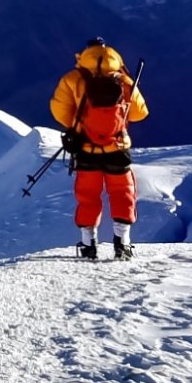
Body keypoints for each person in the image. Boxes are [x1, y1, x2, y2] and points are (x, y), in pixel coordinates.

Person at [49, 37, 149, 260]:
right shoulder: (123, 80)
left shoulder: (73, 80)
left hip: (86, 150)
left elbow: (60, 113)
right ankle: (122, 244)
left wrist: (79, 124)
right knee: (123, 194)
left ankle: (88, 245)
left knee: (88, 196)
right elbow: (140, 113)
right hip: (118, 148)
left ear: (84, 55)